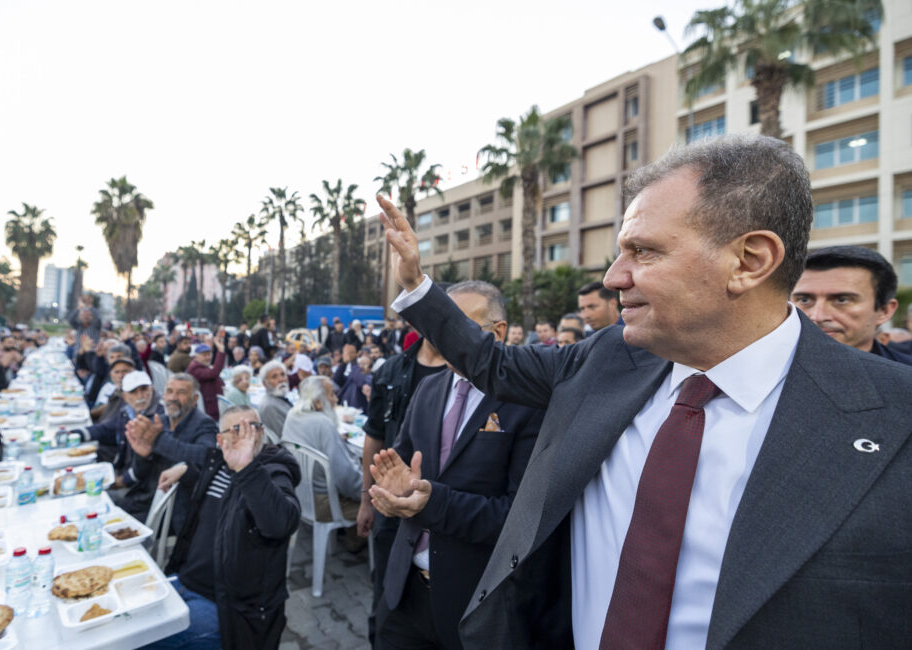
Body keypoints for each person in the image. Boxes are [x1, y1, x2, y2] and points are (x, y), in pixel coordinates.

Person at [377, 134, 912, 648]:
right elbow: (491, 365)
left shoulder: (894, 415)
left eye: (643, 251)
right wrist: (418, 286)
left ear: (749, 261)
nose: (614, 276)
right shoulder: (607, 358)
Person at [369, 281, 544, 650]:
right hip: (404, 594)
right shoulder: (429, 388)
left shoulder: (529, 401)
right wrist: (393, 488)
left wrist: (432, 503)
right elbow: (402, 464)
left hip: (475, 603)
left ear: (497, 333)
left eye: (457, 326)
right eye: (438, 327)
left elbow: (519, 518)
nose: (443, 339)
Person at [137, 406, 300, 650]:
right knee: (124, 625)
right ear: (220, 439)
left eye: (253, 427)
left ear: (263, 433)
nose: (247, 435)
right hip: (183, 581)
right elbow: (198, 463)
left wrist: (247, 468)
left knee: (140, 641)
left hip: (226, 609)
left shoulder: (272, 470)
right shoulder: (216, 464)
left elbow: (280, 523)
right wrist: (176, 466)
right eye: (237, 429)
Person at [357, 318, 447, 647]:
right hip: (391, 508)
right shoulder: (392, 370)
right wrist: (367, 499)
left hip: (442, 509)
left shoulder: (470, 375)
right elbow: (374, 437)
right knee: (384, 593)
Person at [115, 374, 217, 526]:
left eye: (181, 392)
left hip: (170, 513)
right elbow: (141, 472)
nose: (173, 397)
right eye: (169, 391)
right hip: (143, 498)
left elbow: (207, 456)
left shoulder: (204, 424)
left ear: (195, 399)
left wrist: (158, 441)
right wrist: (144, 456)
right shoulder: (160, 420)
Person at [281, 376, 365, 552]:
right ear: (318, 403)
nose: (336, 399)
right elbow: (347, 479)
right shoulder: (323, 423)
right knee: (377, 505)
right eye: (332, 394)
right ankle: (358, 545)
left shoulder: (293, 415)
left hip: (301, 495)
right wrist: (367, 495)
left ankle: (352, 539)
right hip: (324, 504)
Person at [791, 245, 912, 364]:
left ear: (884, 311)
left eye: (842, 300)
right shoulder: (774, 368)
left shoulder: (905, 377)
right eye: (804, 300)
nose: (818, 316)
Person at [79, 371, 163, 482]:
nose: (140, 396)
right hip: (123, 470)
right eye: (133, 392)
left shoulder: (158, 418)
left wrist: (123, 481)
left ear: (151, 389)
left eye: (144, 389)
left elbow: (149, 465)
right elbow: (106, 429)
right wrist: (77, 433)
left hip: (140, 484)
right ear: (124, 396)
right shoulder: (127, 411)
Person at [188, 341, 226, 420]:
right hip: (208, 409)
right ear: (195, 357)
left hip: (212, 405)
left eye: (209, 354)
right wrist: (221, 351)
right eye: (204, 355)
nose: (208, 357)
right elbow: (214, 373)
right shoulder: (194, 369)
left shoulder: (202, 366)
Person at [255, 361, 291, 441]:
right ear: (265, 384)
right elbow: (286, 439)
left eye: (283, 375)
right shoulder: (270, 407)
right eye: (274, 377)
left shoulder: (277, 399)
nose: (281, 380)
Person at [333, 343, 368, 410]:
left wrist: (353, 361)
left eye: (352, 353)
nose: (361, 366)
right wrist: (344, 362)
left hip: (359, 411)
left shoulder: (368, 376)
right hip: (345, 409)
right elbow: (337, 380)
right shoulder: (352, 372)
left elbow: (360, 381)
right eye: (346, 353)